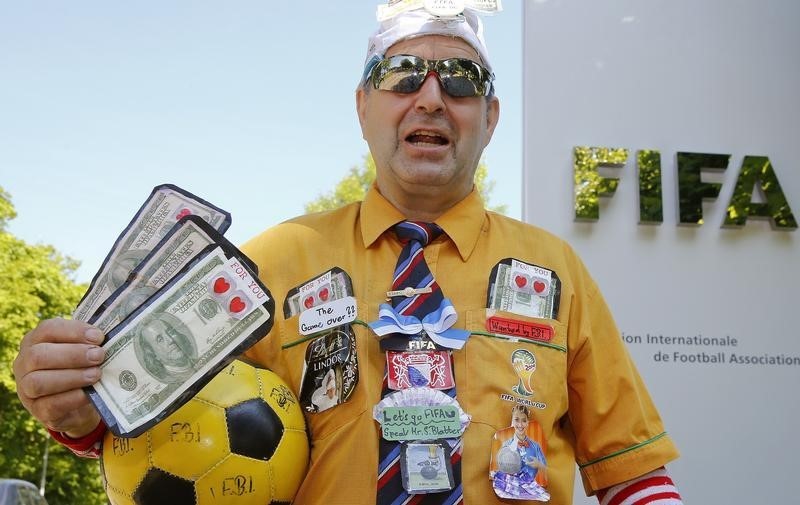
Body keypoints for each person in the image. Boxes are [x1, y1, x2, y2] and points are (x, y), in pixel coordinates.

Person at [12, 3, 683, 503]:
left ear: (490, 116)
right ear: (363, 107)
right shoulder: (267, 264)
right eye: (401, 75)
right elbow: (145, 431)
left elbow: (635, 474)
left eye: (460, 80)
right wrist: (76, 409)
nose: (431, 96)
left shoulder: (556, 270)